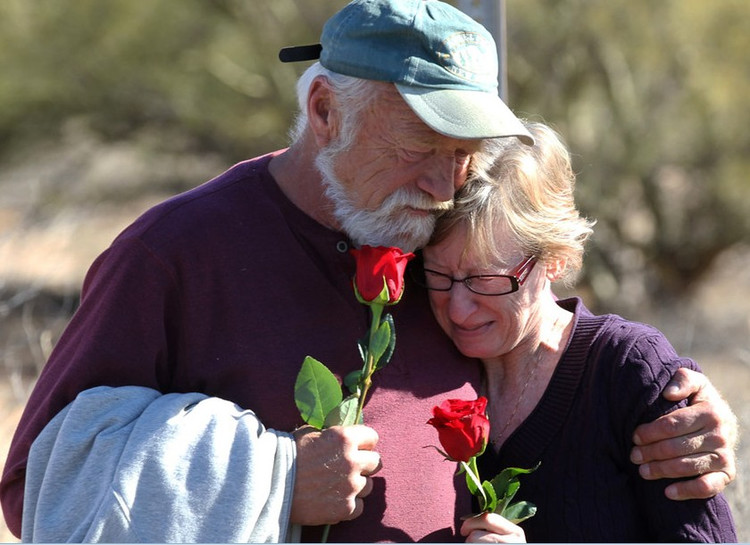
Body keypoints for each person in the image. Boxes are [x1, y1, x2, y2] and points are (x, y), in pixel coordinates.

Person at [0, 0, 737, 542]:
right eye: (421, 145)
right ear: (325, 111)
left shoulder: (434, 243)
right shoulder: (175, 254)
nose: (447, 185)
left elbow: (544, 330)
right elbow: (42, 485)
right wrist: (276, 479)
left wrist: (668, 399)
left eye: (465, 153)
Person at [418, 121, 737, 542]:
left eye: (486, 278)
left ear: (554, 258)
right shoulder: (417, 344)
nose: (458, 308)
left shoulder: (627, 371)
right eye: (439, 274)